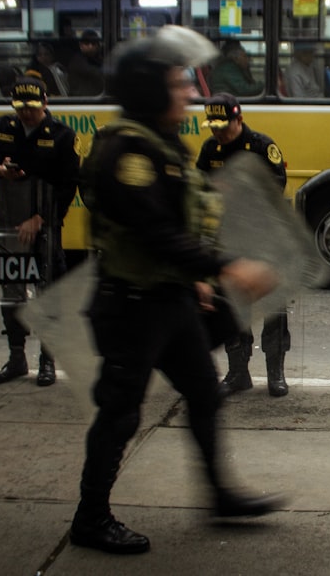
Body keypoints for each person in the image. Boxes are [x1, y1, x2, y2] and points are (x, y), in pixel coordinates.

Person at [72, 27, 282, 555]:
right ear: (149, 90)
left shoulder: (164, 143)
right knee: (120, 411)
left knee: (205, 394)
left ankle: (220, 497)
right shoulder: (127, 152)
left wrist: (199, 279)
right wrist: (228, 268)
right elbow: (155, 232)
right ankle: (90, 518)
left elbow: (181, 224)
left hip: (171, 301)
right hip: (134, 305)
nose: (190, 92)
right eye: (178, 82)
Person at [0, 76, 79, 386]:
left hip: (43, 227)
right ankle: (16, 357)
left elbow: (69, 185)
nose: (25, 114)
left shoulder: (62, 136)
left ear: (45, 103)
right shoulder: (3, 127)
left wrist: (41, 218)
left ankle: (47, 360)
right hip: (8, 224)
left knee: (47, 294)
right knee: (12, 294)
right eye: (20, 108)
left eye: (31, 108)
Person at [196, 92, 290, 397]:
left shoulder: (261, 146)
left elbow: (276, 185)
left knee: (273, 307)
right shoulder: (210, 149)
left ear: (239, 119)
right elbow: (200, 188)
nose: (218, 133)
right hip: (229, 240)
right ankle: (239, 372)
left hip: (264, 240)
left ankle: (275, 373)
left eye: (224, 126)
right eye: (213, 127)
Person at [66, 30, 105, 97]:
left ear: (98, 46)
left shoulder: (96, 59)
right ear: (80, 45)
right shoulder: (78, 61)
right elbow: (98, 74)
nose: (90, 46)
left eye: (93, 43)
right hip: (81, 101)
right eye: (87, 43)